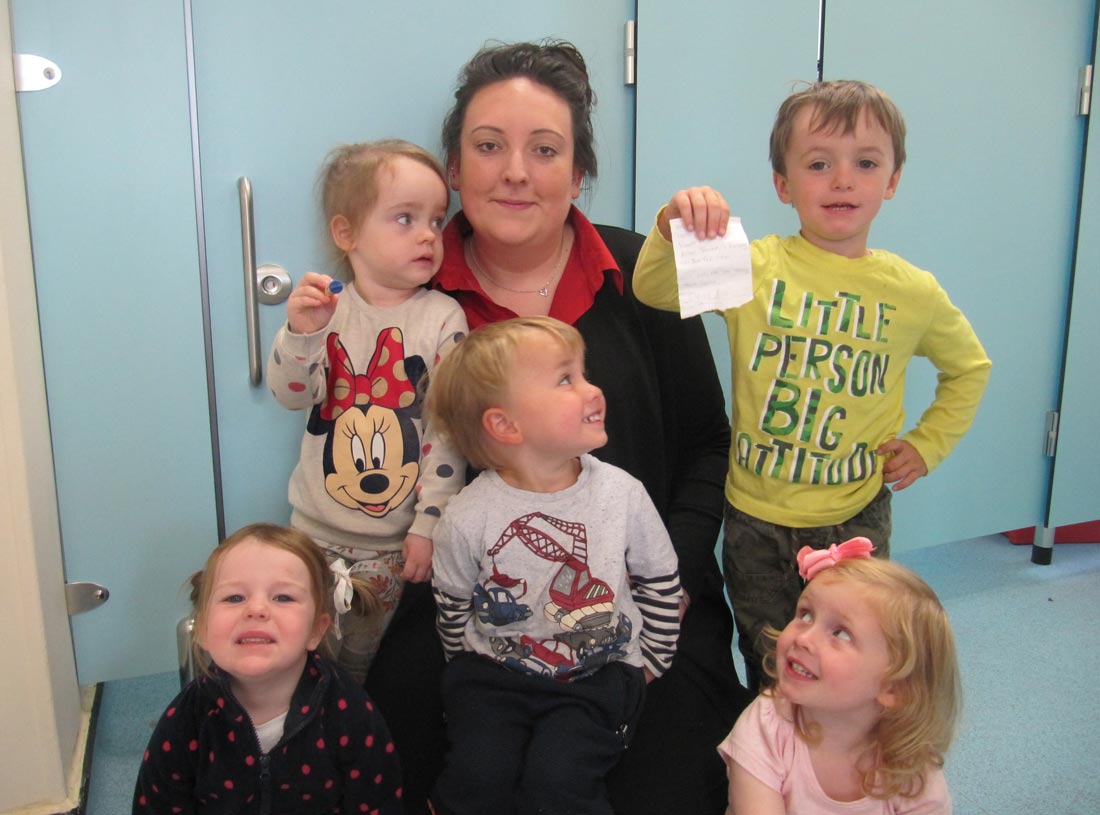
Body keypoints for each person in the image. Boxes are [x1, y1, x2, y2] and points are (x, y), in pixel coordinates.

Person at [363, 39, 750, 815]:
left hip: (641, 606)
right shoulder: (413, 299)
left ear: (576, 175)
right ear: (453, 167)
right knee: (427, 770)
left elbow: (710, 443)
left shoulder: (644, 272)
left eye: (544, 150)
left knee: (659, 788)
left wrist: (654, 571)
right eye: (488, 146)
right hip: (475, 618)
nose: (514, 170)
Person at [632, 80, 992, 691]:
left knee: (852, 658)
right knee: (770, 658)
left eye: (866, 163)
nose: (843, 180)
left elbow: (969, 369)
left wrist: (929, 443)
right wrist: (672, 225)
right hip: (756, 518)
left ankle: (837, 759)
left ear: (893, 180)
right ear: (783, 184)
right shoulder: (755, 264)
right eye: (819, 164)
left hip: (856, 513)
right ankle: (770, 767)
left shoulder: (913, 292)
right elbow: (655, 292)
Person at [425, 316, 683, 814]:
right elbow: (451, 603)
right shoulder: (466, 517)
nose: (593, 390)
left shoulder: (622, 494)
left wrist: (653, 659)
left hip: (596, 674)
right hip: (493, 675)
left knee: (559, 781)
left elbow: (660, 579)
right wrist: (463, 662)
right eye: (567, 379)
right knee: (475, 776)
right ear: (505, 425)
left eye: (583, 374)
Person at [266, 140, 468, 683]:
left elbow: (446, 436)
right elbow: (289, 395)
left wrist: (429, 524)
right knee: (300, 665)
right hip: (310, 536)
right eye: (405, 218)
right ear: (346, 233)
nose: (428, 234)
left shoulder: (443, 317)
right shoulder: (327, 310)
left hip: (392, 550)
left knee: (364, 672)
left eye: (436, 219)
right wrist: (303, 334)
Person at [132, 523, 403, 814]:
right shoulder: (188, 719)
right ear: (203, 630)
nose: (256, 609)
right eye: (234, 598)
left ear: (316, 630)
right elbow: (156, 805)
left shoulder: (348, 712)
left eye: (283, 597)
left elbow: (378, 802)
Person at [720, 538, 960, 813]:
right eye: (806, 615)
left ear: (893, 687)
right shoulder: (766, 726)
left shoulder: (911, 768)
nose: (804, 639)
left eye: (841, 633)